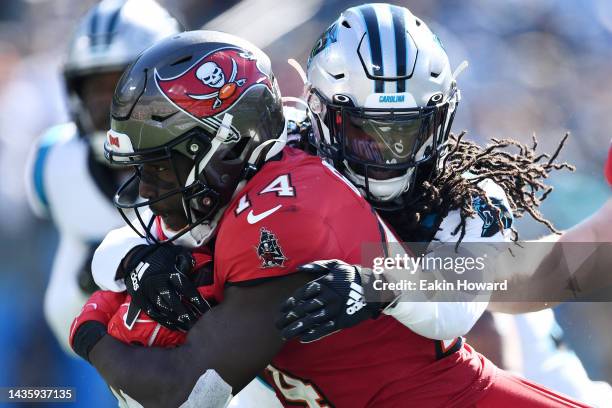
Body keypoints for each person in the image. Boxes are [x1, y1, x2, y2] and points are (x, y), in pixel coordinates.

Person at [72, 25, 591, 407]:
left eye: (407, 131)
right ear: (318, 113)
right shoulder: (279, 152)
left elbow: (460, 307)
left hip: (502, 345)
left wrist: (374, 284)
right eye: (366, 130)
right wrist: (137, 257)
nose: (388, 156)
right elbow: (138, 236)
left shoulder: (473, 200)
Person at [24, 0, 181, 355]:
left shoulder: (209, 153)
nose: (105, 102)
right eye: (94, 86)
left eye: (122, 83)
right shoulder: (55, 161)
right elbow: (63, 310)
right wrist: (92, 270)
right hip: (107, 354)